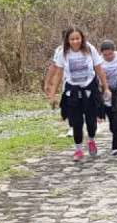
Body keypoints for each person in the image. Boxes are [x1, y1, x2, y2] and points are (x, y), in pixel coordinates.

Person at [46, 27, 110, 162]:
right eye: (72, 39)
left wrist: (106, 88)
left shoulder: (90, 49)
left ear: (82, 39)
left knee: (91, 121)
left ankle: (91, 140)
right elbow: (58, 73)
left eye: (77, 38)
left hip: (89, 89)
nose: (75, 41)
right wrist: (53, 94)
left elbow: (99, 69)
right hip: (72, 91)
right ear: (67, 40)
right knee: (76, 122)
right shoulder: (62, 53)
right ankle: (78, 149)